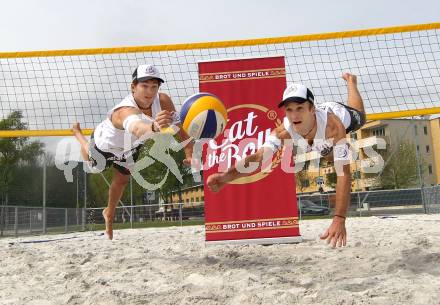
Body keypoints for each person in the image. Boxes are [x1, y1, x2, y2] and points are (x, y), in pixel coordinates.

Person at [207, 73, 366, 248]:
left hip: (339, 116)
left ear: (311, 108)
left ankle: (351, 82)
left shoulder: (334, 127)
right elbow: (258, 158)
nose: (294, 115)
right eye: (289, 110)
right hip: (315, 141)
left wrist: (339, 218)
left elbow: (344, 174)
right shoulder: (284, 131)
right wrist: (225, 177)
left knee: (361, 118)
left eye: (299, 108)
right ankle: (325, 150)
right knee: (327, 154)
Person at [72, 64, 193, 240]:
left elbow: (180, 129)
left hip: (131, 147)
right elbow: (138, 128)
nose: (150, 91)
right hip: (105, 146)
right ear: (133, 87)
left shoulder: (163, 101)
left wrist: (189, 153)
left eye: (154, 86)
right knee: (93, 165)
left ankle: (109, 213)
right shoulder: (124, 110)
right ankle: (78, 135)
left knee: (122, 180)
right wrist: (154, 126)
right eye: (144, 86)